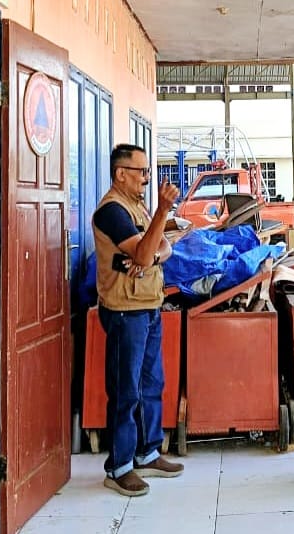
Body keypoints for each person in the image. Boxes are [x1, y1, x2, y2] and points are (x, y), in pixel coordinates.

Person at [94, 144, 184, 497]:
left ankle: (147, 452)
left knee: (151, 384)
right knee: (125, 390)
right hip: (124, 311)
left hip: (148, 305)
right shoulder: (112, 211)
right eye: (142, 172)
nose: (147, 178)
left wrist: (152, 257)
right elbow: (145, 252)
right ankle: (119, 467)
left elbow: (163, 247)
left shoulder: (137, 206)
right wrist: (162, 212)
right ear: (121, 174)